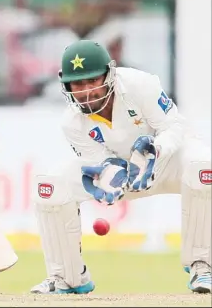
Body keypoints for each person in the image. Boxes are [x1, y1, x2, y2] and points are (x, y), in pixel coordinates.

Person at [30, 40, 211, 294]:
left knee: (204, 167)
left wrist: (155, 151)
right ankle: (68, 278)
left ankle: (203, 267)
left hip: (166, 160)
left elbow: (174, 126)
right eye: (78, 84)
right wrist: (108, 178)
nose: (86, 91)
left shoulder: (140, 84)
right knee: (49, 185)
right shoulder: (71, 122)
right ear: (65, 84)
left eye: (92, 80)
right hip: (125, 173)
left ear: (109, 74)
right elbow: (99, 160)